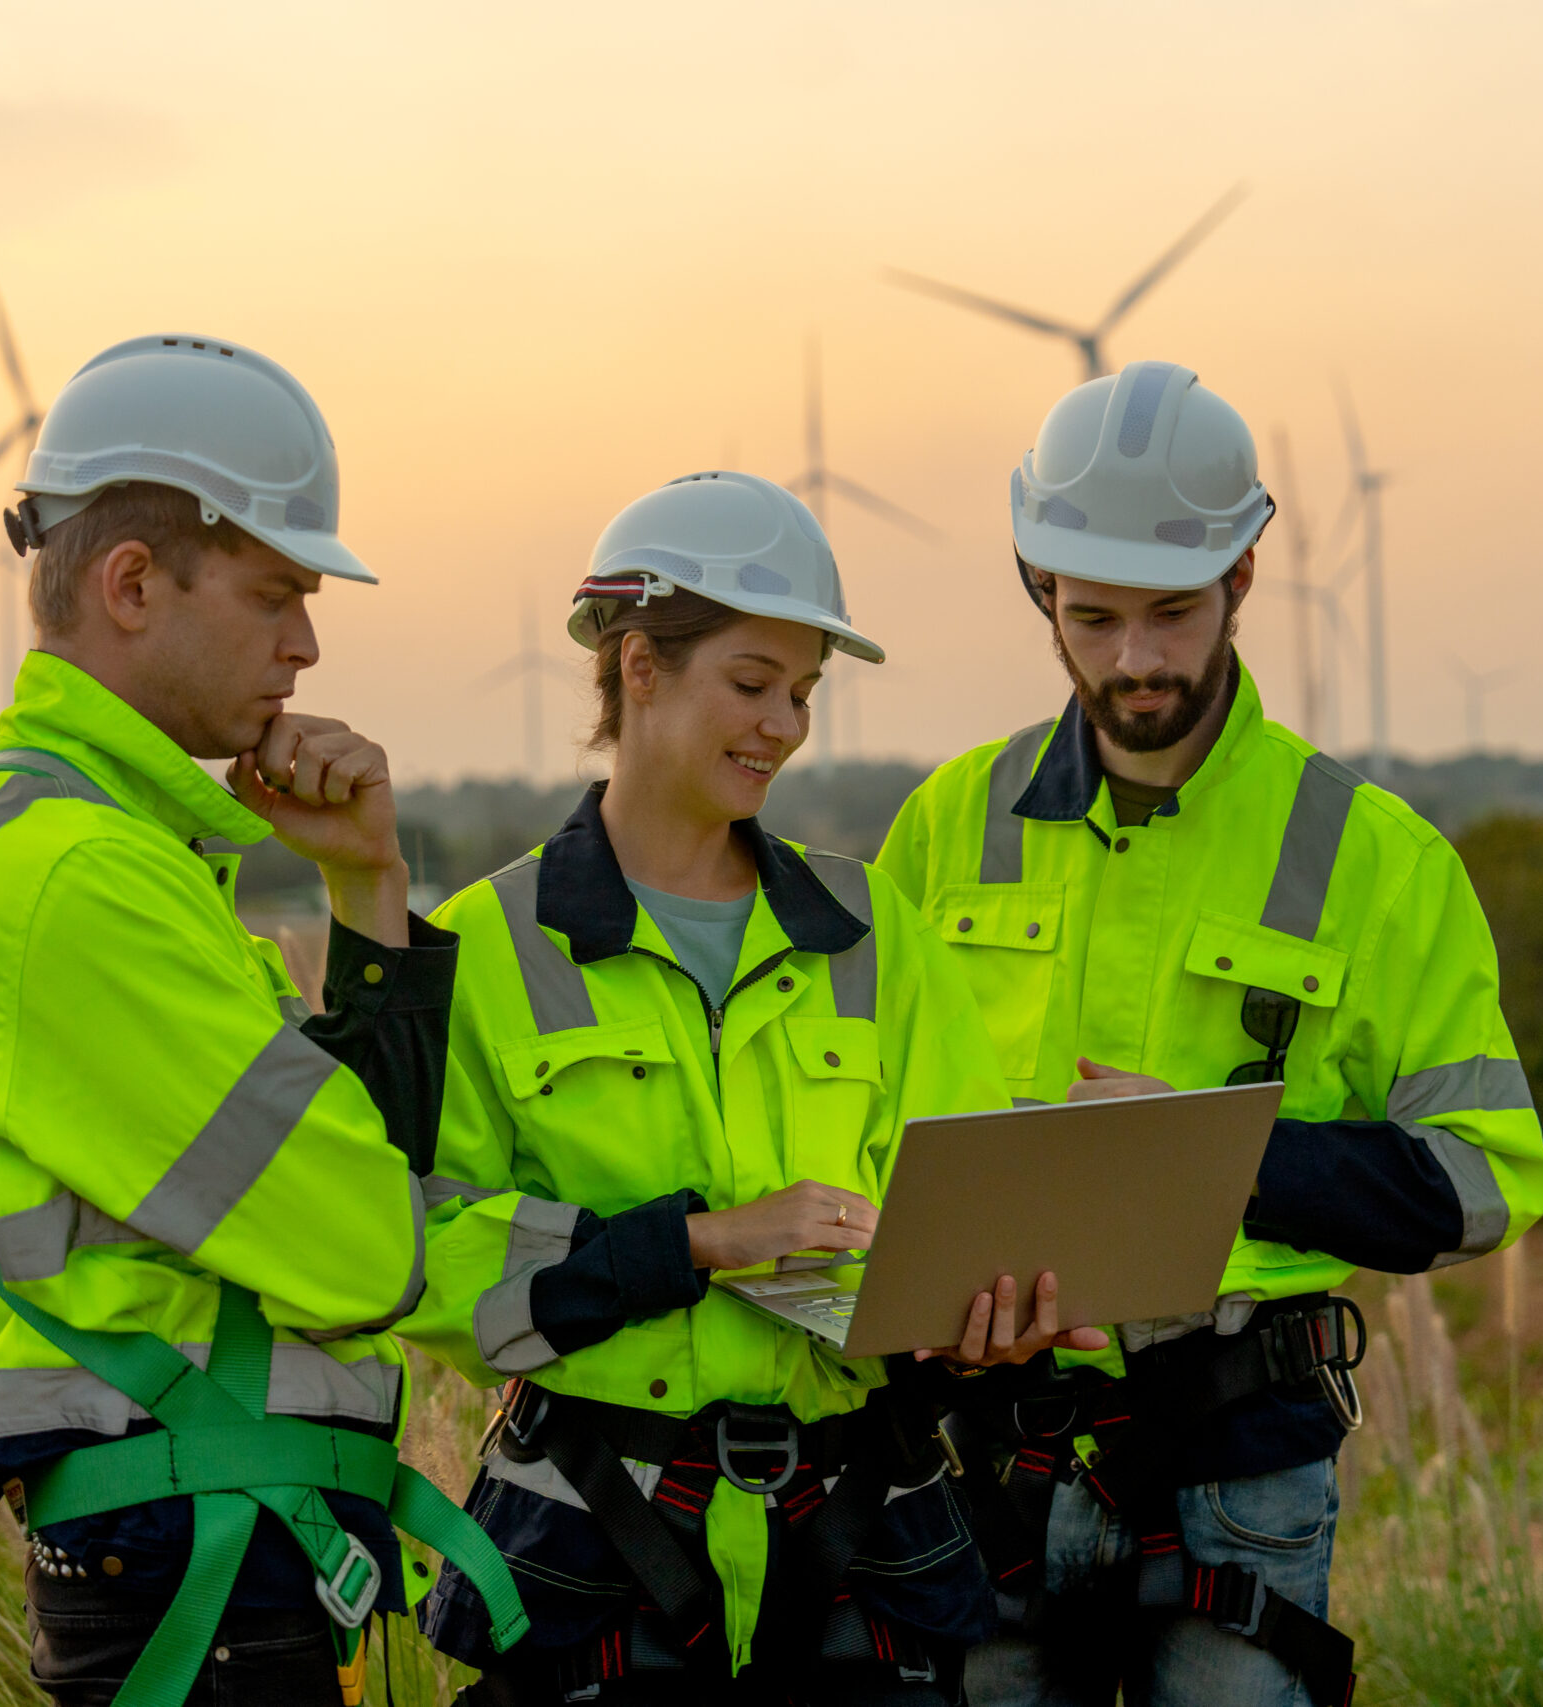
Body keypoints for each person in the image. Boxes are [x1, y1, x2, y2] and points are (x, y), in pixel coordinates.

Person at [875, 364, 1543, 1707]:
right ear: (1038, 589)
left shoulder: (1376, 858)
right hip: (978, 1461)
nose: (1137, 659)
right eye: (1096, 616)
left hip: (1240, 1462)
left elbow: (1486, 1178)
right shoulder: (944, 827)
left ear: (1245, 575)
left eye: (1174, 612)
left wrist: (1208, 1157)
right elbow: (849, 1133)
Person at [0, 335, 519, 1707]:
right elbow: (365, 1246)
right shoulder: (81, 880)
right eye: (278, 589)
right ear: (133, 582)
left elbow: (358, 1178)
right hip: (190, 1562)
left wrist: (367, 889)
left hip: (206, 1541)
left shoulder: (104, 852)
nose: (310, 641)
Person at [400, 471, 1095, 1705]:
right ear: (637, 668)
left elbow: (964, 1195)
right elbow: (426, 1264)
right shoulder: (482, 946)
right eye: (752, 683)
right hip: (599, 1545)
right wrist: (702, 1244)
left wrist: (989, 1324)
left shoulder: (874, 929)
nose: (784, 725)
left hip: (856, 1538)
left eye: (804, 693)